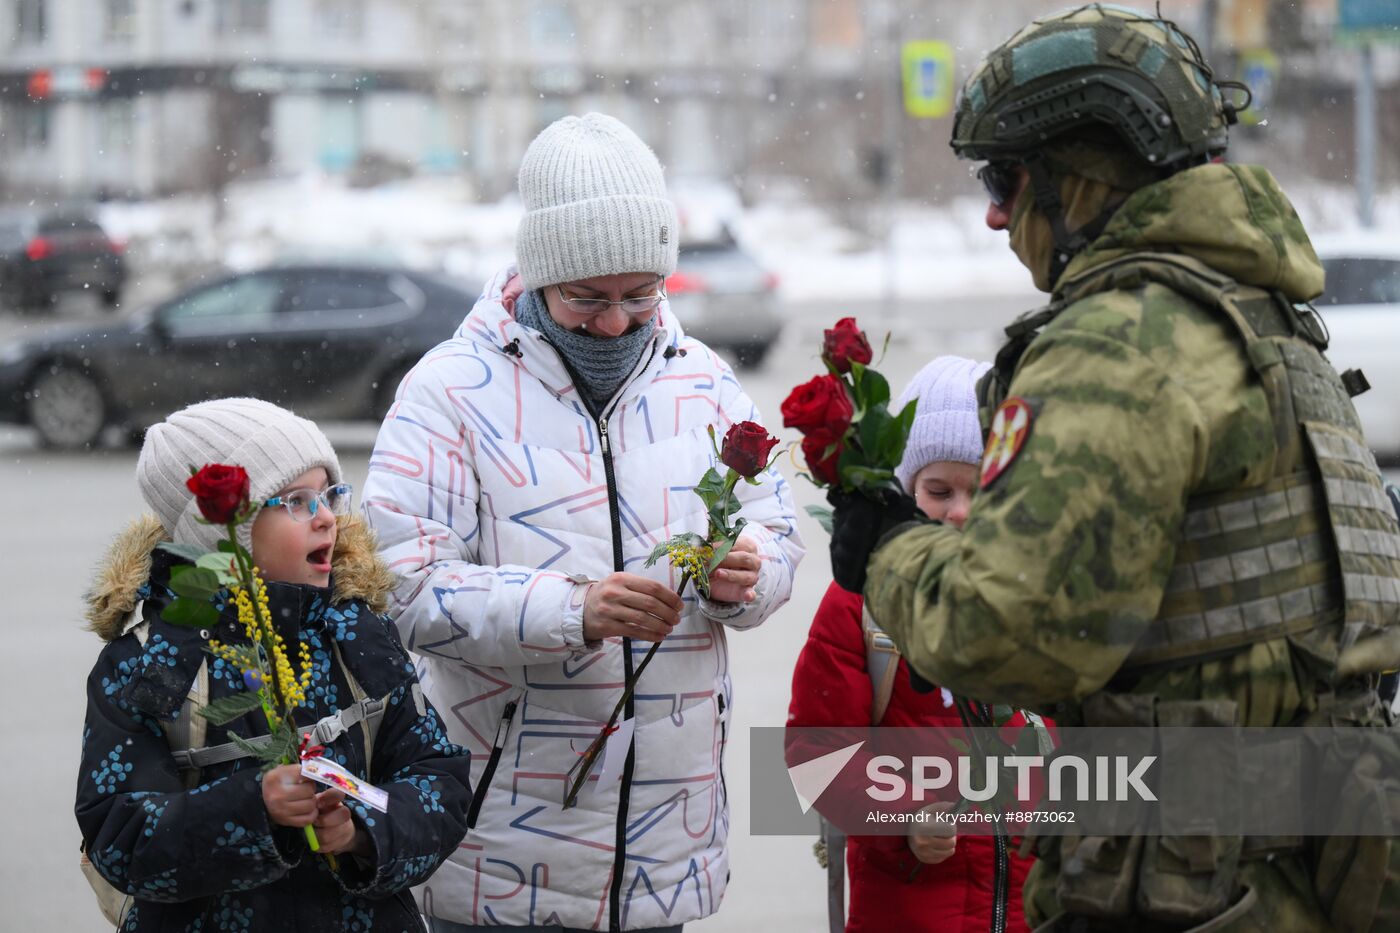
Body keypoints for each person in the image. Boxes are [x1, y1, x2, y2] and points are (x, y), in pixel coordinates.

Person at [826, 6, 1400, 932]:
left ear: (1082, 181)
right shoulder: (1269, 322)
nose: (993, 212)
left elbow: (1008, 635)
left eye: (1007, 179)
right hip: (1309, 867)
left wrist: (889, 554)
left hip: (1195, 880)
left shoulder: (1123, 341)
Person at [362, 113, 804, 932]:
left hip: (665, 844)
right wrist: (572, 611)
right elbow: (398, 585)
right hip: (500, 845)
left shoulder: (702, 382)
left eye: (641, 295)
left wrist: (748, 572)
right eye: (587, 299)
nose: (615, 323)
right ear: (536, 278)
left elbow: (776, 527)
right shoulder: (449, 392)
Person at [75, 397, 474, 932]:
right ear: (222, 531)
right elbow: (119, 836)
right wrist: (251, 808)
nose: (327, 517)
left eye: (330, 494)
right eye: (296, 501)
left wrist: (362, 829)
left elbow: (438, 778)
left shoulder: (356, 632)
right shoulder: (151, 665)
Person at [789, 356, 1043, 933]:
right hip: (910, 907)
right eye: (938, 490)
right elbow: (817, 754)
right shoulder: (861, 603)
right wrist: (903, 819)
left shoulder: (1045, 597)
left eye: (981, 491)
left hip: (1041, 904)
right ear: (905, 489)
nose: (959, 513)